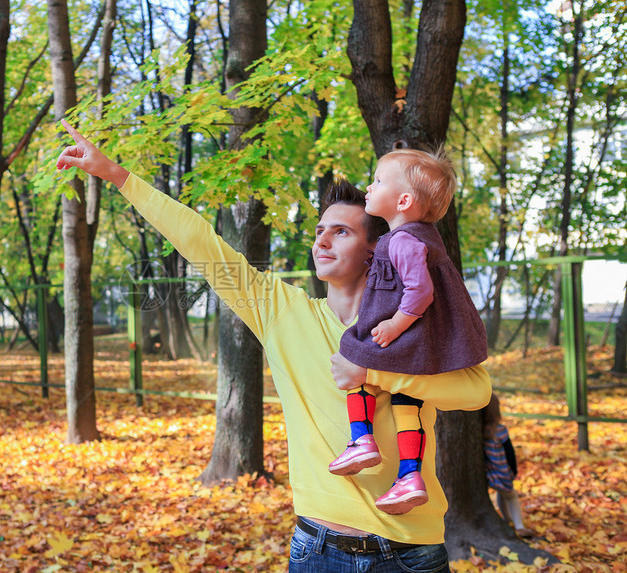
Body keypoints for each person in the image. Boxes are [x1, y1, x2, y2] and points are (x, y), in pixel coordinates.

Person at [56, 119, 492, 572]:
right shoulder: (282, 311)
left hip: (410, 552)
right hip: (317, 549)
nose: (321, 240)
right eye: (320, 230)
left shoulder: (416, 321)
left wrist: (372, 374)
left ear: (376, 250)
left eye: (341, 232)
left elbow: (475, 390)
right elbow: (203, 245)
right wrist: (118, 176)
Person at [328, 149, 488, 516]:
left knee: (354, 354)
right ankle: (409, 476)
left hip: (403, 333)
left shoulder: (403, 240)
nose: (370, 185)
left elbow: (420, 291)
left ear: (403, 200)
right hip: (421, 343)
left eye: (379, 180)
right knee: (407, 402)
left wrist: (395, 323)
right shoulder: (417, 238)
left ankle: (361, 439)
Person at [483, 393, 533, 538]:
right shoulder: (500, 431)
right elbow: (509, 453)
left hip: (490, 474)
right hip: (502, 472)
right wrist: (514, 469)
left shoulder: (479, 431)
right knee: (512, 496)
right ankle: (519, 526)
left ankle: (506, 519)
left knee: (502, 493)